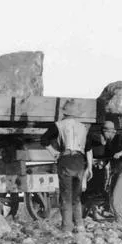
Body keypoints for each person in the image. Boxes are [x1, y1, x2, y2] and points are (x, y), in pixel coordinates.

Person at [40, 100, 93, 233]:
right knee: (76, 196)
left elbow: (43, 140)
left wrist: (54, 153)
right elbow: (89, 149)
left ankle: (66, 228)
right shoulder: (83, 127)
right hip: (80, 162)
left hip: (66, 161)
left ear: (65, 112)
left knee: (65, 195)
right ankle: (80, 225)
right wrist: (90, 168)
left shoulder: (58, 125)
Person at [101, 120, 122, 224]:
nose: (103, 135)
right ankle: (121, 221)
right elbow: (106, 159)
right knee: (111, 199)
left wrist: (120, 153)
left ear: (111, 131)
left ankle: (121, 223)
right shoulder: (108, 144)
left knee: (116, 199)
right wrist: (101, 162)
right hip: (115, 171)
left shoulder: (121, 137)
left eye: (104, 132)